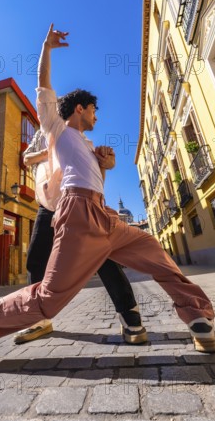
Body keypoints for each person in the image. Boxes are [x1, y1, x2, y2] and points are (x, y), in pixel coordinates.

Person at [0, 24, 215, 374]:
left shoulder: (88, 145)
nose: (97, 116)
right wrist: (46, 47)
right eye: (94, 110)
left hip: (103, 214)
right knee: (51, 295)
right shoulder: (58, 129)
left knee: (157, 257)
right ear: (80, 108)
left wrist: (105, 165)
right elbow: (44, 85)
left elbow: (97, 180)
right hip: (76, 213)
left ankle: (198, 317)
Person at [14, 128, 147, 345]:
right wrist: (49, 152)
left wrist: (107, 160)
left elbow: (102, 164)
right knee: (36, 259)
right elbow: (26, 158)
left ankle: (129, 313)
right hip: (47, 205)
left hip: (78, 202)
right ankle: (39, 319)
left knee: (102, 255)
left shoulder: (76, 135)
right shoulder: (40, 135)